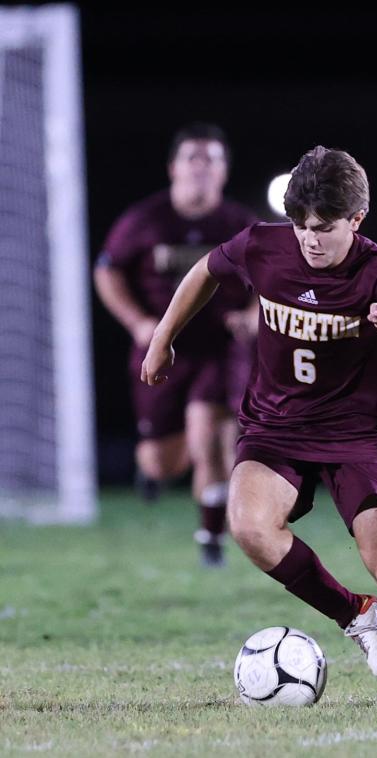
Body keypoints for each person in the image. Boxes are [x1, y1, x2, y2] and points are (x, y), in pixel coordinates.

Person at [140, 145, 377, 702]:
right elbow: (206, 270)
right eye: (301, 226)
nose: (310, 238)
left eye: (324, 227)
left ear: (356, 219)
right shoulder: (264, 246)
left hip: (354, 437)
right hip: (274, 428)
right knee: (248, 526)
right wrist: (161, 337)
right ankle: (355, 614)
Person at [94, 123, 259, 567]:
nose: (201, 167)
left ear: (224, 171)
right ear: (173, 168)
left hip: (219, 349)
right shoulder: (145, 220)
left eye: (212, 159)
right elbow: (107, 271)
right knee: (163, 463)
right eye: (193, 157)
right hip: (162, 348)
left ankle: (210, 535)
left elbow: (272, 276)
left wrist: (250, 315)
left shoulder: (239, 224)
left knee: (212, 434)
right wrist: (137, 322)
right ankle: (150, 469)